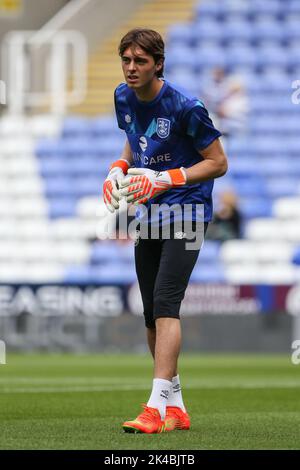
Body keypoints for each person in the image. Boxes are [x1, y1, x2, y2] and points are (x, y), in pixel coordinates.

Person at [102, 28, 228, 434]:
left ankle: (155, 408)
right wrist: (116, 169)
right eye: (126, 60)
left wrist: (167, 178)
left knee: (166, 303)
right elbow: (132, 144)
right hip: (150, 212)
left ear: (158, 63)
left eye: (140, 61)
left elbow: (218, 162)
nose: (132, 68)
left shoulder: (185, 106)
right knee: (151, 314)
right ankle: (176, 407)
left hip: (188, 210)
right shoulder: (123, 96)